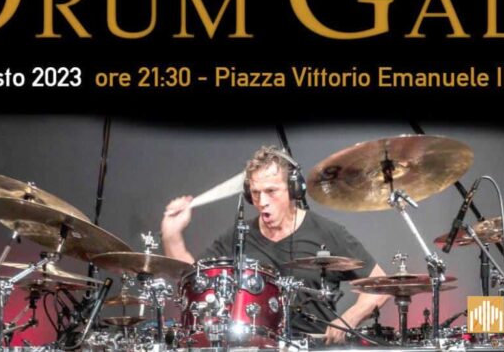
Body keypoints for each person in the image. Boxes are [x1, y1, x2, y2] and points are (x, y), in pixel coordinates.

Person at [161, 146, 389, 344]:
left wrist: (349, 318)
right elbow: (193, 280)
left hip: (313, 347)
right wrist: (172, 236)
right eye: (256, 193)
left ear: (293, 189)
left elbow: (380, 285)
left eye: (271, 191)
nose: (262, 202)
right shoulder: (239, 236)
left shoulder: (327, 233)